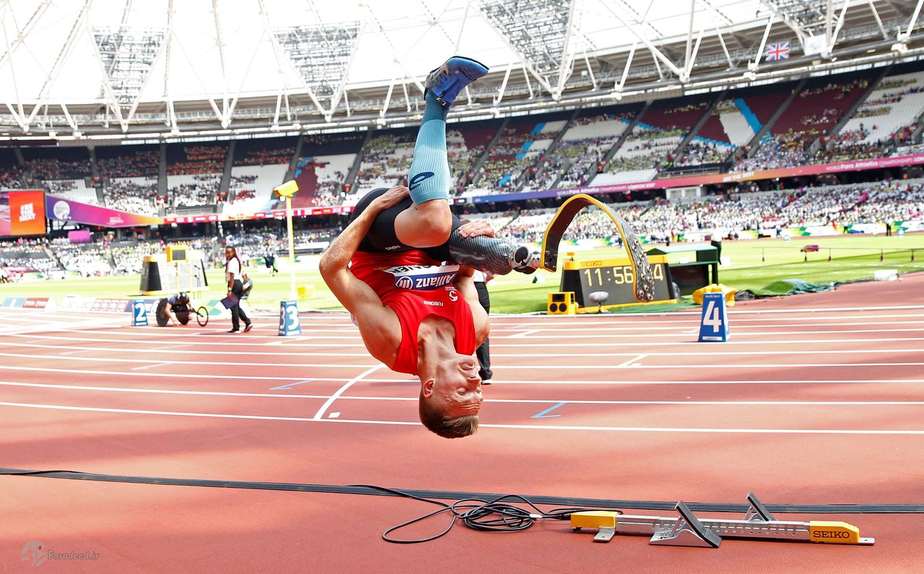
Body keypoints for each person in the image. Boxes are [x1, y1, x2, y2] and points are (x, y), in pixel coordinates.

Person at [320, 56, 536, 439]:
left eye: (463, 390)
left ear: (430, 387)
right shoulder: (477, 329)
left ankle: (436, 99)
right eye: (479, 391)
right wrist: (475, 243)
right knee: (464, 237)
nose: (475, 380)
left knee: (434, 222)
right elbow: (465, 273)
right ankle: (509, 251)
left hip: (380, 240)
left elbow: (332, 268)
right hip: (438, 247)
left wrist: (372, 209)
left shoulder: (391, 341)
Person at [224, 246, 253, 334]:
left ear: (233, 253)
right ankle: (247, 322)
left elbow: (232, 277)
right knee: (235, 306)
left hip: (235, 284)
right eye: (226, 252)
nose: (227, 254)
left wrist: (229, 289)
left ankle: (236, 327)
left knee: (233, 307)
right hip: (236, 284)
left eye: (229, 252)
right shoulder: (233, 261)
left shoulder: (233, 261)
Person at [472, 270, 493, 385]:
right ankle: (486, 373)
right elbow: (492, 273)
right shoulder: (482, 252)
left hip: (462, 284)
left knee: (458, 328)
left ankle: (461, 371)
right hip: (480, 286)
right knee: (482, 330)